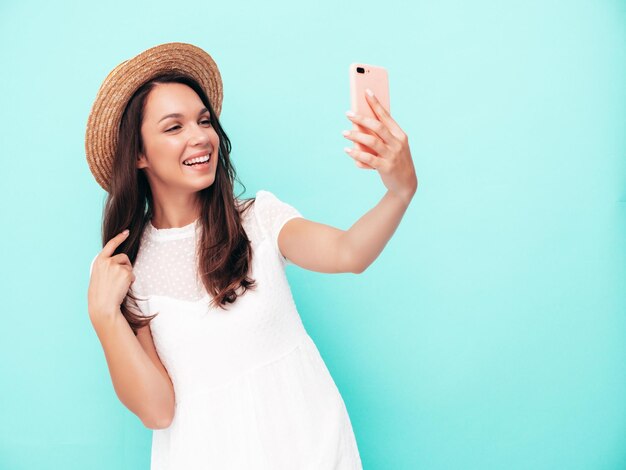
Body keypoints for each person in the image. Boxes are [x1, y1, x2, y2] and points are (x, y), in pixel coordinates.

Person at [85, 42, 417, 470]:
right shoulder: (124, 267)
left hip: (308, 448)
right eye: (174, 127)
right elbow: (157, 411)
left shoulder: (258, 219)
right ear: (138, 154)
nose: (200, 135)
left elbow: (349, 252)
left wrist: (400, 191)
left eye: (204, 120)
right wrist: (104, 317)